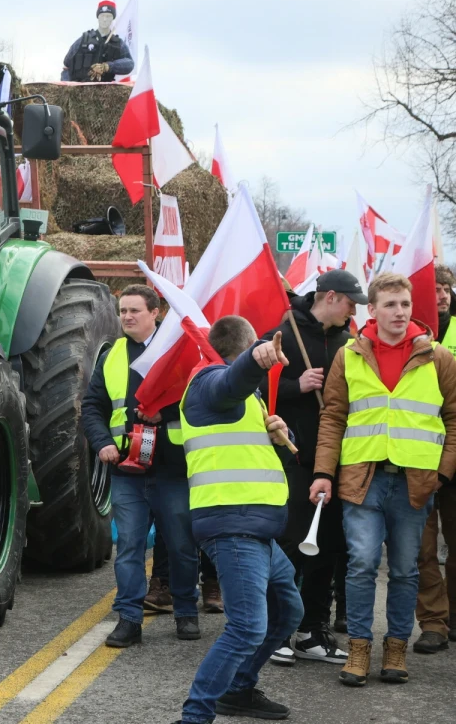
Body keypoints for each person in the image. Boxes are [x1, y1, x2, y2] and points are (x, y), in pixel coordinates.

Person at [313, 272, 456, 686]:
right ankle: (359, 648)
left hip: (416, 482)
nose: (399, 312)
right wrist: (324, 471)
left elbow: (452, 419)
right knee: (360, 564)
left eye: (405, 305)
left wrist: (443, 473)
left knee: (407, 569)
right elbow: (334, 417)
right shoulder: (349, 355)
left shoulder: (439, 358)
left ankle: (396, 649)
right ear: (371, 310)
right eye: (390, 304)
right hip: (363, 479)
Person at [174, 317, 302, 724]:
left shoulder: (249, 401)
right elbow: (229, 383)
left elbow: (250, 453)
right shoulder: (207, 382)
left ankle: (238, 689)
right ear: (247, 344)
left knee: (287, 612)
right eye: (255, 347)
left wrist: (283, 435)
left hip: (256, 527)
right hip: (233, 526)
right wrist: (256, 360)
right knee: (247, 627)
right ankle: (195, 717)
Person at [83, 284, 198, 647]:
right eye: (123, 311)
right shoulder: (113, 354)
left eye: (135, 310)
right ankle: (129, 618)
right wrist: (102, 443)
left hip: (172, 470)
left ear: (155, 313)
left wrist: (164, 414)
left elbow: (198, 401)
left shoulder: (180, 353)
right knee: (129, 546)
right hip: (127, 472)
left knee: (180, 545)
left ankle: (186, 612)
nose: (127, 317)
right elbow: (92, 406)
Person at [262, 270, 361, 667]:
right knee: (291, 543)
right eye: (351, 302)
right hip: (296, 457)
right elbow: (258, 392)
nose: (355, 311)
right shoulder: (283, 332)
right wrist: (294, 386)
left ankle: (312, 631)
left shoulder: (350, 343)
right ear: (331, 297)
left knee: (330, 547)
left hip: (338, 460)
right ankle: (278, 629)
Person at [413, 266, 456, 653]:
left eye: (445, 288)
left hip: (454, 449)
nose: (441, 295)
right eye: (434, 289)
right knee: (423, 547)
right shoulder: (407, 333)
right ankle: (434, 624)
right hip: (419, 455)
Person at [61, 0, 135, 82]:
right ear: (98, 17)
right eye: (102, 16)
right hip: (80, 88)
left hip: (104, 91)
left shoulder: (118, 43)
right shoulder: (84, 39)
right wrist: (67, 87)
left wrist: (108, 66)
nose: (104, 19)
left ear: (112, 19)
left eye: (108, 16)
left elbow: (130, 63)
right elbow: (67, 63)